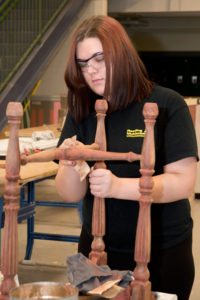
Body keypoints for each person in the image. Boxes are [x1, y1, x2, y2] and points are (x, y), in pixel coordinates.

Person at [55, 15, 198, 300]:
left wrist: (117, 187)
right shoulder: (82, 110)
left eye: (99, 59)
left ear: (121, 53)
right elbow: (70, 194)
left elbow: (183, 183)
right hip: (96, 248)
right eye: (83, 65)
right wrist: (71, 163)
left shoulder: (167, 104)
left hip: (160, 252)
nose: (91, 71)